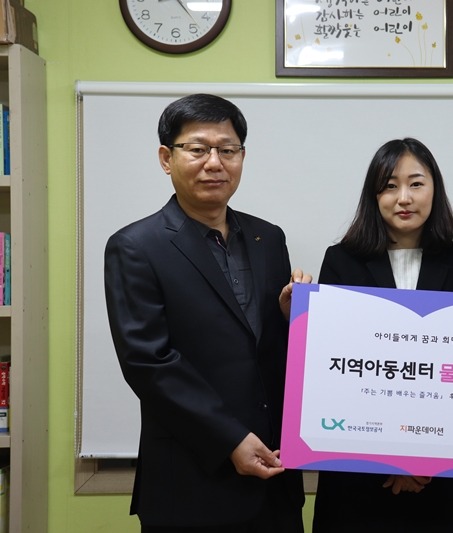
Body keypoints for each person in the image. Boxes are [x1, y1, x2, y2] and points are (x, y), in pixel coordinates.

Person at [104, 93, 309, 533]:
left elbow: (265, 352)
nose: (214, 163)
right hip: (192, 480)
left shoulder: (269, 238)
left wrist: (291, 318)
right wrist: (230, 439)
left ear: (241, 157)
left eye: (227, 150)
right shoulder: (136, 246)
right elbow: (148, 362)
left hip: (275, 476)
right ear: (167, 158)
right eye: (197, 149)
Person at [311, 138, 453, 533]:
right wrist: (389, 461)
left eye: (416, 184)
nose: (404, 198)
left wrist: (422, 460)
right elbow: (337, 373)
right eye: (390, 186)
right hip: (358, 474)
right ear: (373, 196)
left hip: (444, 474)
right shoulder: (340, 261)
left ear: (435, 190)